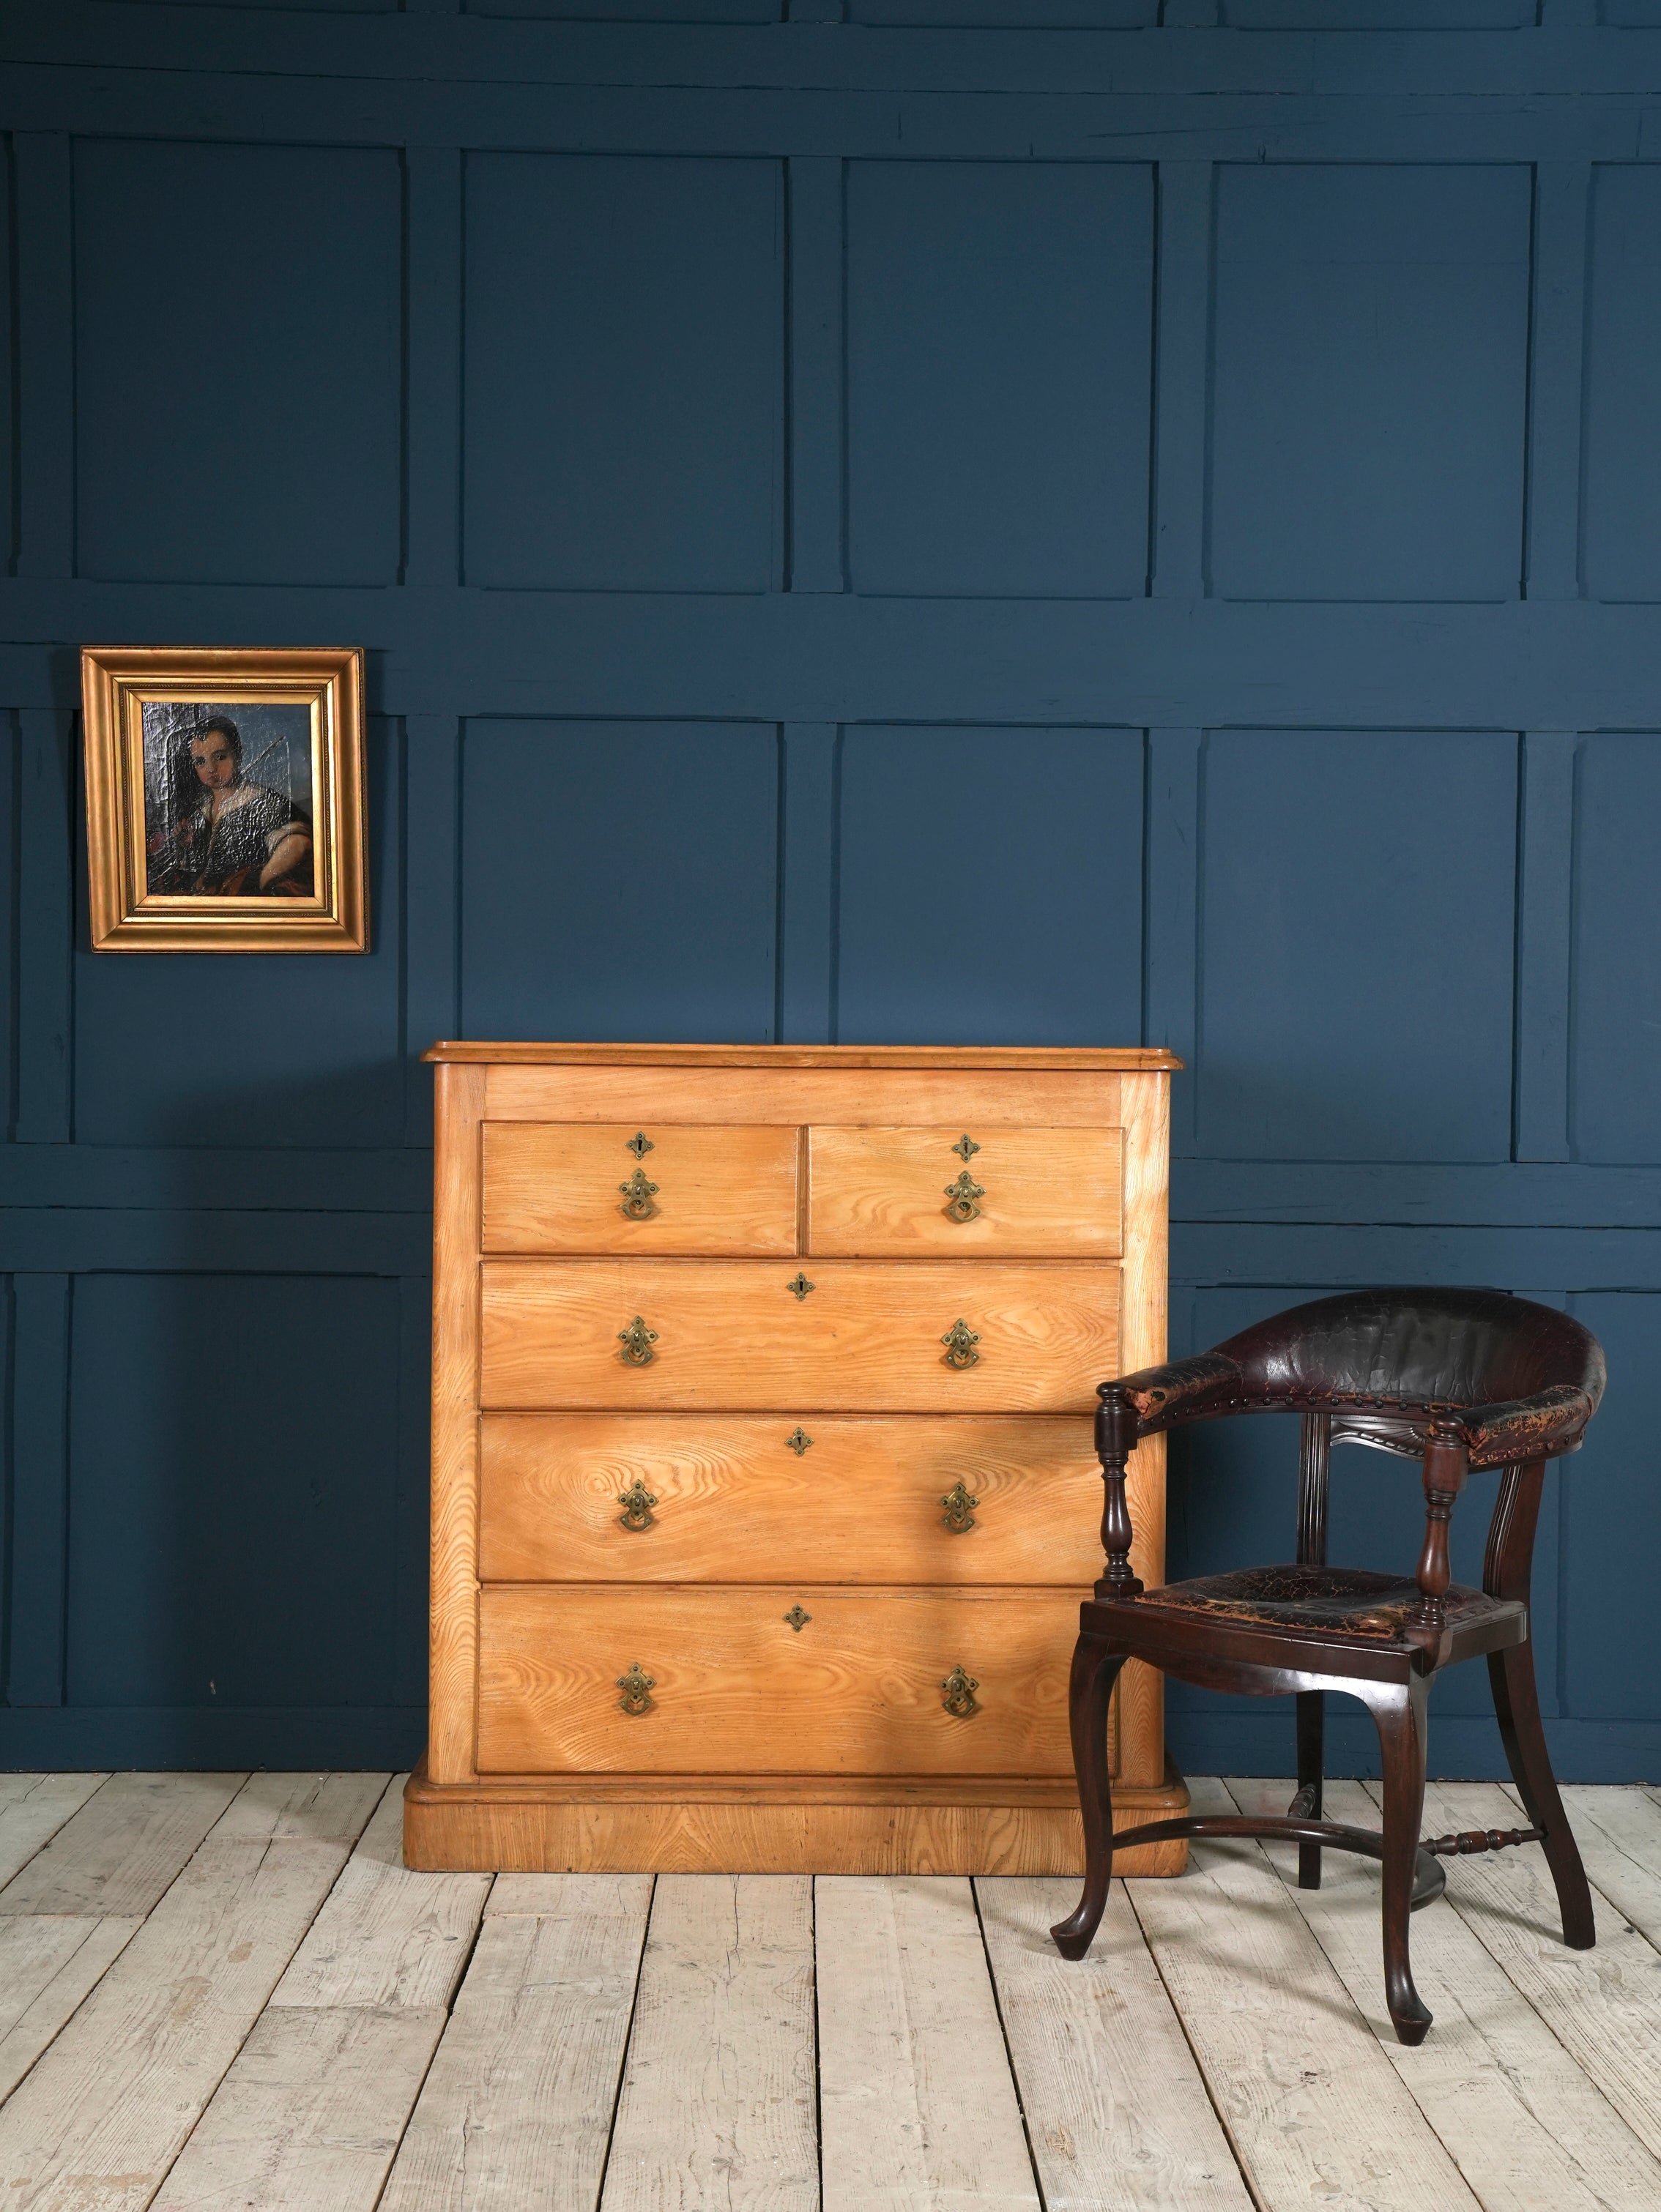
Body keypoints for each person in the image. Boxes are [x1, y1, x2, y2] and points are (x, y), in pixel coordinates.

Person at [146, 715, 314, 896]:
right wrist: (187, 845)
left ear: (238, 755)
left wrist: (261, 882)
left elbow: (299, 842)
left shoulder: (264, 803)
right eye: (200, 762)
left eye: (220, 757)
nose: (211, 768)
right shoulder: (202, 809)